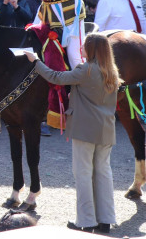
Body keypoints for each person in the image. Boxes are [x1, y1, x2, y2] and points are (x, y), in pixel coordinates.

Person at [22, 33, 120, 234]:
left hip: (85, 128)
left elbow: (55, 77)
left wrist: (36, 61)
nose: (81, 48)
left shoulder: (85, 70)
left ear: (91, 49)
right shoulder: (112, 71)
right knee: (103, 173)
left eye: (84, 45)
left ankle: (86, 220)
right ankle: (105, 220)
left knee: (83, 173)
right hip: (106, 128)